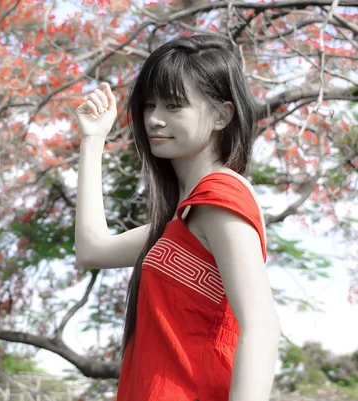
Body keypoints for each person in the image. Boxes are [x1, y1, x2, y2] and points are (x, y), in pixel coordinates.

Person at [74, 35, 281, 401]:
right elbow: (93, 250)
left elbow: (261, 328)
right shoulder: (181, 221)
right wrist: (92, 141)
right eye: (149, 105)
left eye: (174, 106)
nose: (154, 119)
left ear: (222, 115)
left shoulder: (220, 197)